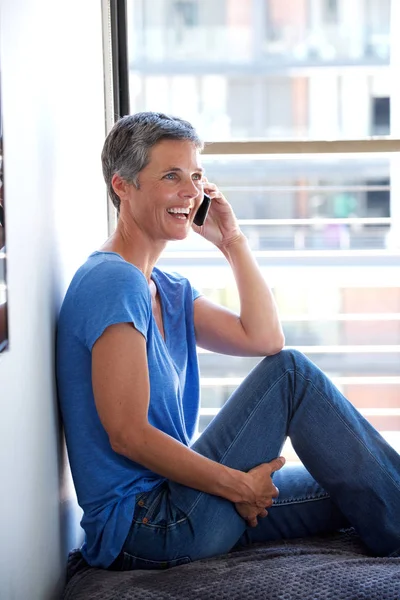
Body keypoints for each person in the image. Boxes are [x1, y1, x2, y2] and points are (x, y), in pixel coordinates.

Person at [56, 112, 400, 571]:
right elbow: (129, 436)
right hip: (147, 525)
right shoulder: (112, 283)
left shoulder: (167, 287)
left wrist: (232, 240)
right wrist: (240, 486)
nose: (191, 191)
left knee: (358, 488)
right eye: (171, 176)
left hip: (184, 501)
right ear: (123, 186)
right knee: (291, 374)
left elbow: (263, 337)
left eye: (197, 176)